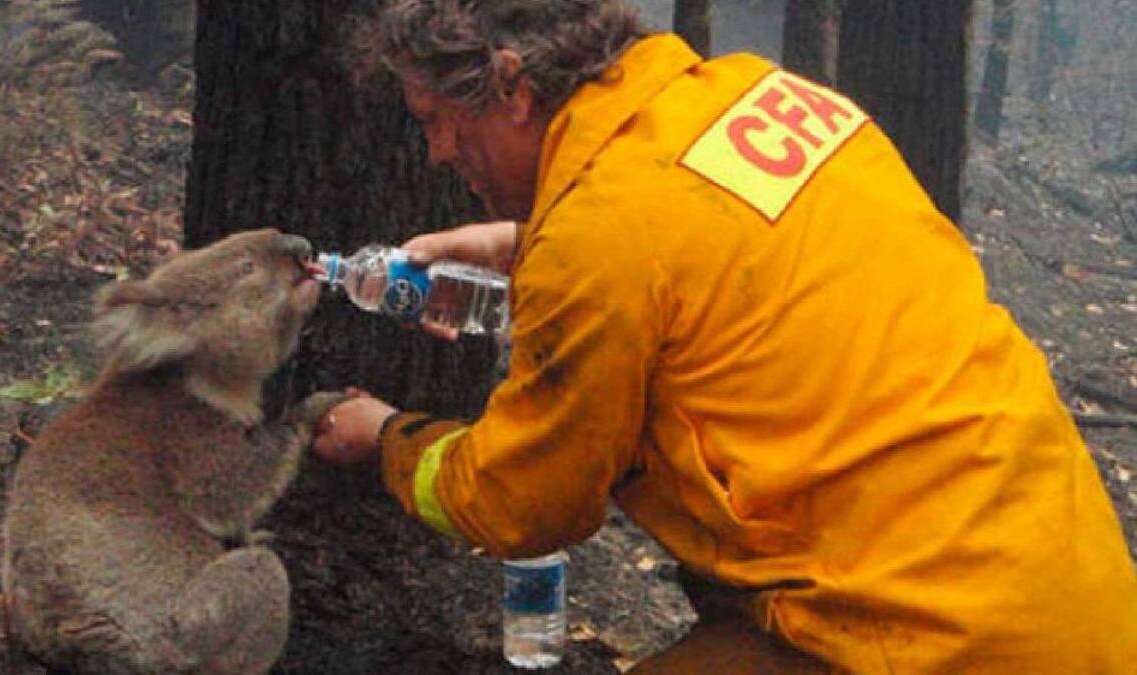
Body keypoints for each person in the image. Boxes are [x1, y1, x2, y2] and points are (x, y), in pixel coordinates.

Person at [313, 1, 1137, 672]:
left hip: (928, 637)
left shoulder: (602, 240)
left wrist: (388, 437)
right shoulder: (753, 95)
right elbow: (713, 258)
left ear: (512, 86)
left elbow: (524, 502)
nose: (434, 150)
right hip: (1072, 590)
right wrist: (521, 245)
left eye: (437, 118)